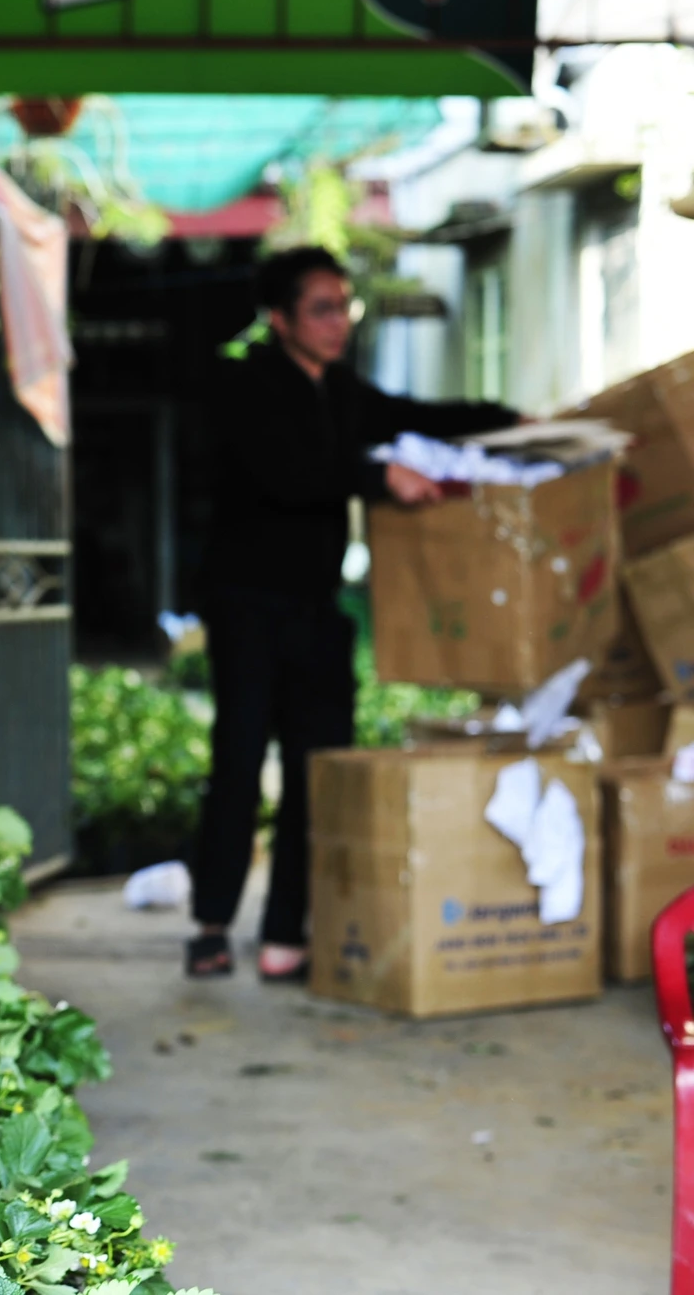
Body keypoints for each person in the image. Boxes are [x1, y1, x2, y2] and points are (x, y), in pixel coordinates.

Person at [186, 247, 517, 981]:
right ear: (281, 320)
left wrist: (513, 421)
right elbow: (286, 474)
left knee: (320, 769)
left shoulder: (341, 390)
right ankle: (210, 925)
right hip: (246, 605)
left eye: (345, 307)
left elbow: (417, 415)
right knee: (239, 761)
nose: (339, 323)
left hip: (316, 608)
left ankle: (286, 935)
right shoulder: (245, 385)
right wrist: (376, 474)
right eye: (322, 309)